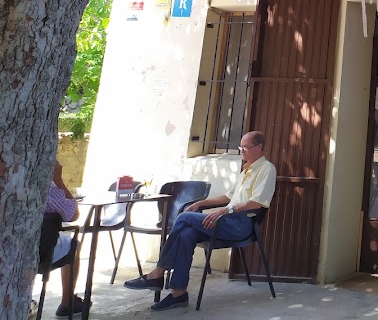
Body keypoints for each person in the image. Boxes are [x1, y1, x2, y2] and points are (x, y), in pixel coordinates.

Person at [122, 131, 276, 311]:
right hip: (227, 219)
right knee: (187, 234)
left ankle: (158, 272)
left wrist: (225, 211)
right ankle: (179, 293)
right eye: (240, 147)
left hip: (241, 225)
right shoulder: (245, 170)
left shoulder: (267, 169)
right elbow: (228, 196)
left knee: (184, 217)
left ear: (259, 147)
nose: (242, 151)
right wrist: (202, 202)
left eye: (246, 148)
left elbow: (257, 202)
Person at [41, 161, 87, 317]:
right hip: (38, 252)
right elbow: (73, 214)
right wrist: (58, 181)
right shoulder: (45, 189)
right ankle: (67, 303)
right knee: (74, 244)